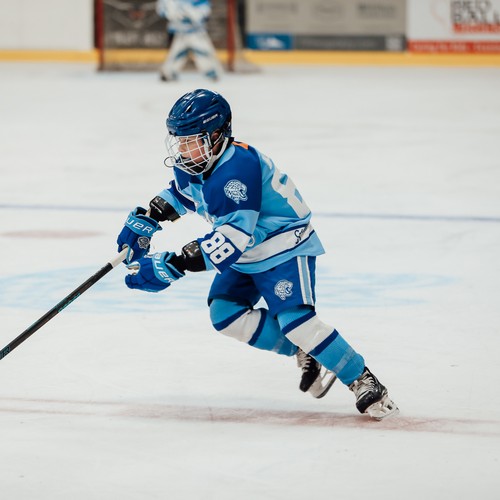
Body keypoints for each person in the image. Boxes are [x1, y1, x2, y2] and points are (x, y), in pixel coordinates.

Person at [117, 89, 399, 420]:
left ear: (217, 136)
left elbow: (232, 238)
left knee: (297, 323)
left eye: (192, 141)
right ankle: (307, 350)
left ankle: (362, 379)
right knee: (225, 315)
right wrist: (149, 218)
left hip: (283, 248)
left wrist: (176, 264)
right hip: (247, 252)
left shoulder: (237, 169)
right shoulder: (198, 161)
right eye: (180, 141)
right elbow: (183, 194)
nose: (183, 150)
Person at [156, 0, 222, 81]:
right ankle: (169, 72)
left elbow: (203, 12)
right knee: (178, 52)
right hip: (180, 31)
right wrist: (173, 13)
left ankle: (212, 72)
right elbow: (163, 11)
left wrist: (190, 12)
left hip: (196, 31)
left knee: (202, 51)